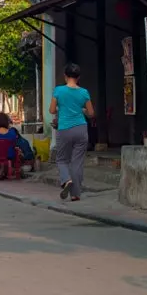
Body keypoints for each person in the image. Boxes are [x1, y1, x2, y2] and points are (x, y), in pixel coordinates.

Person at [49, 63, 94, 201]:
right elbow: (91, 113)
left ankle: (66, 179)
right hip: (81, 128)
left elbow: (51, 110)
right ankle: (75, 194)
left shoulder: (58, 90)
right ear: (78, 77)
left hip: (65, 129)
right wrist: (82, 110)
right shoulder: (84, 92)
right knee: (77, 162)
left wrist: (61, 109)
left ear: (65, 76)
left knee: (62, 159)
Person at [0, 113, 18, 179]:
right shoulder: (12, 133)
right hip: (9, 155)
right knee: (15, 151)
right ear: (7, 122)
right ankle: (5, 171)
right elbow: (14, 144)